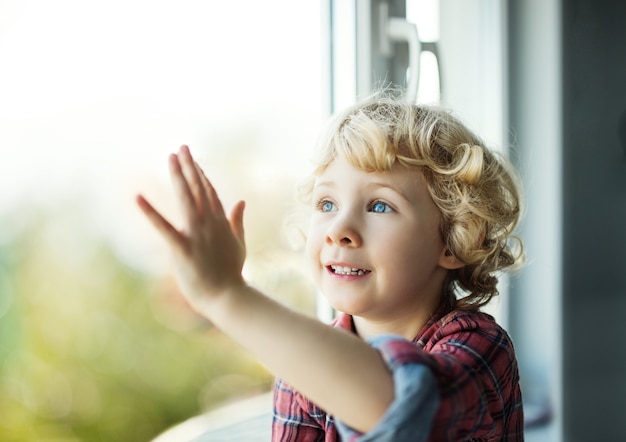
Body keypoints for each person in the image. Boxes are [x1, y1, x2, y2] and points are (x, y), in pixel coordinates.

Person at [136, 93, 525, 441]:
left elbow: (401, 407)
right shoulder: (302, 370)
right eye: (327, 205)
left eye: (379, 206)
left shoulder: (480, 347)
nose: (340, 230)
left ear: (455, 240)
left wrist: (226, 296)